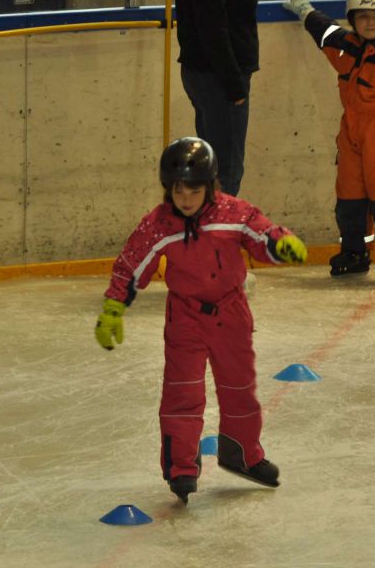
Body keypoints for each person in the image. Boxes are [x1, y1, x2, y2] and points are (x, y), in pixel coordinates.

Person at [94, 137, 308, 504]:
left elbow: (261, 232)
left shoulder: (233, 212)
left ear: (209, 186)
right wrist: (114, 305)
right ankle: (181, 468)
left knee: (240, 388)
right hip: (186, 316)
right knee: (182, 391)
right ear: (168, 190)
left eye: (194, 190)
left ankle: (242, 454)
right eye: (178, 191)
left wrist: (279, 243)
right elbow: (133, 262)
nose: (186, 199)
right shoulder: (160, 223)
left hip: (231, 311)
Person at [282, 0, 375, 282]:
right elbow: (324, 29)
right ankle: (355, 251)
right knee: (349, 197)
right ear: (354, 19)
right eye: (363, 17)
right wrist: (305, 10)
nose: (370, 23)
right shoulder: (345, 46)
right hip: (351, 132)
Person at [175, 0, 259, 196]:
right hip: (218, 78)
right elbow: (211, 26)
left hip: (207, 73)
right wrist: (233, 84)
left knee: (212, 166)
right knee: (226, 171)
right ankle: (220, 225)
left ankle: (209, 223)